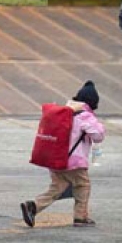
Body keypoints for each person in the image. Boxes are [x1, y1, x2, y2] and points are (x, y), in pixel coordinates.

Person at [20, 81, 105, 228]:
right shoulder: (85, 116)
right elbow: (98, 136)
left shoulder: (65, 112)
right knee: (82, 186)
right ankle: (81, 217)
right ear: (93, 103)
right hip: (74, 161)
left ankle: (33, 206)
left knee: (58, 187)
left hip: (56, 158)